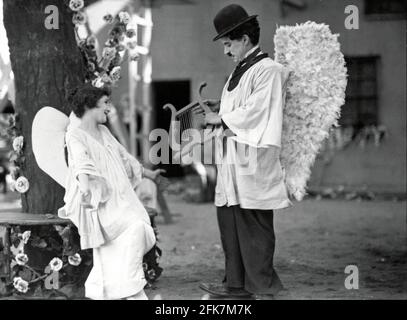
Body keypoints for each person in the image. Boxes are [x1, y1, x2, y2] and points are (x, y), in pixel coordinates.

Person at [198, 4, 292, 300]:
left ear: (245, 40)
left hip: (253, 161)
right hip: (232, 159)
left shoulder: (269, 70)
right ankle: (236, 286)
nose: (225, 50)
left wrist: (223, 118)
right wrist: (220, 107)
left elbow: (259, 111)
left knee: (253, 223)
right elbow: (242, 106)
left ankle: (263, 287)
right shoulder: (239, 72)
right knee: (230, 221)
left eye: (228, 43)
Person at [58, 84, 166, 300]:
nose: (110, 108)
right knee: (133, 231)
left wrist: (149, 174)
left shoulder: (104, 131)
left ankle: (117, 292)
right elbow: (81, 164)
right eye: (105, 103)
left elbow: (124, 158)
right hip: (101, 202)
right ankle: (128, 292)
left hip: (122, 199)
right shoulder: (75, 135)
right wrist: (87, 190)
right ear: (90, 105)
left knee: (135, 233)